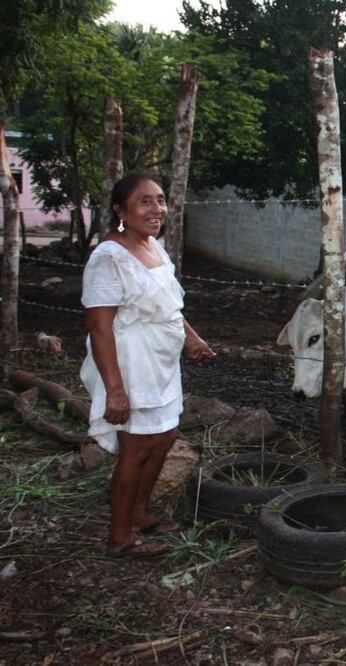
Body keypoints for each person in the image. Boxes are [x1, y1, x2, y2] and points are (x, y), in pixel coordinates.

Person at [80, 173, 216, 557]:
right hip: (131, 362)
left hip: (162, 362)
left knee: (166, 438)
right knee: (136, 447)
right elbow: (100, 326)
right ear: (121, 210)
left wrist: (191, 337)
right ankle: (119, 538)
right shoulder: (109, 257)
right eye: (144, 201)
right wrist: (116, 390)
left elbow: (170, 305)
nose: (156, 209)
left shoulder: (154, 247)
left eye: (160, 200)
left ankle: (138, 513)